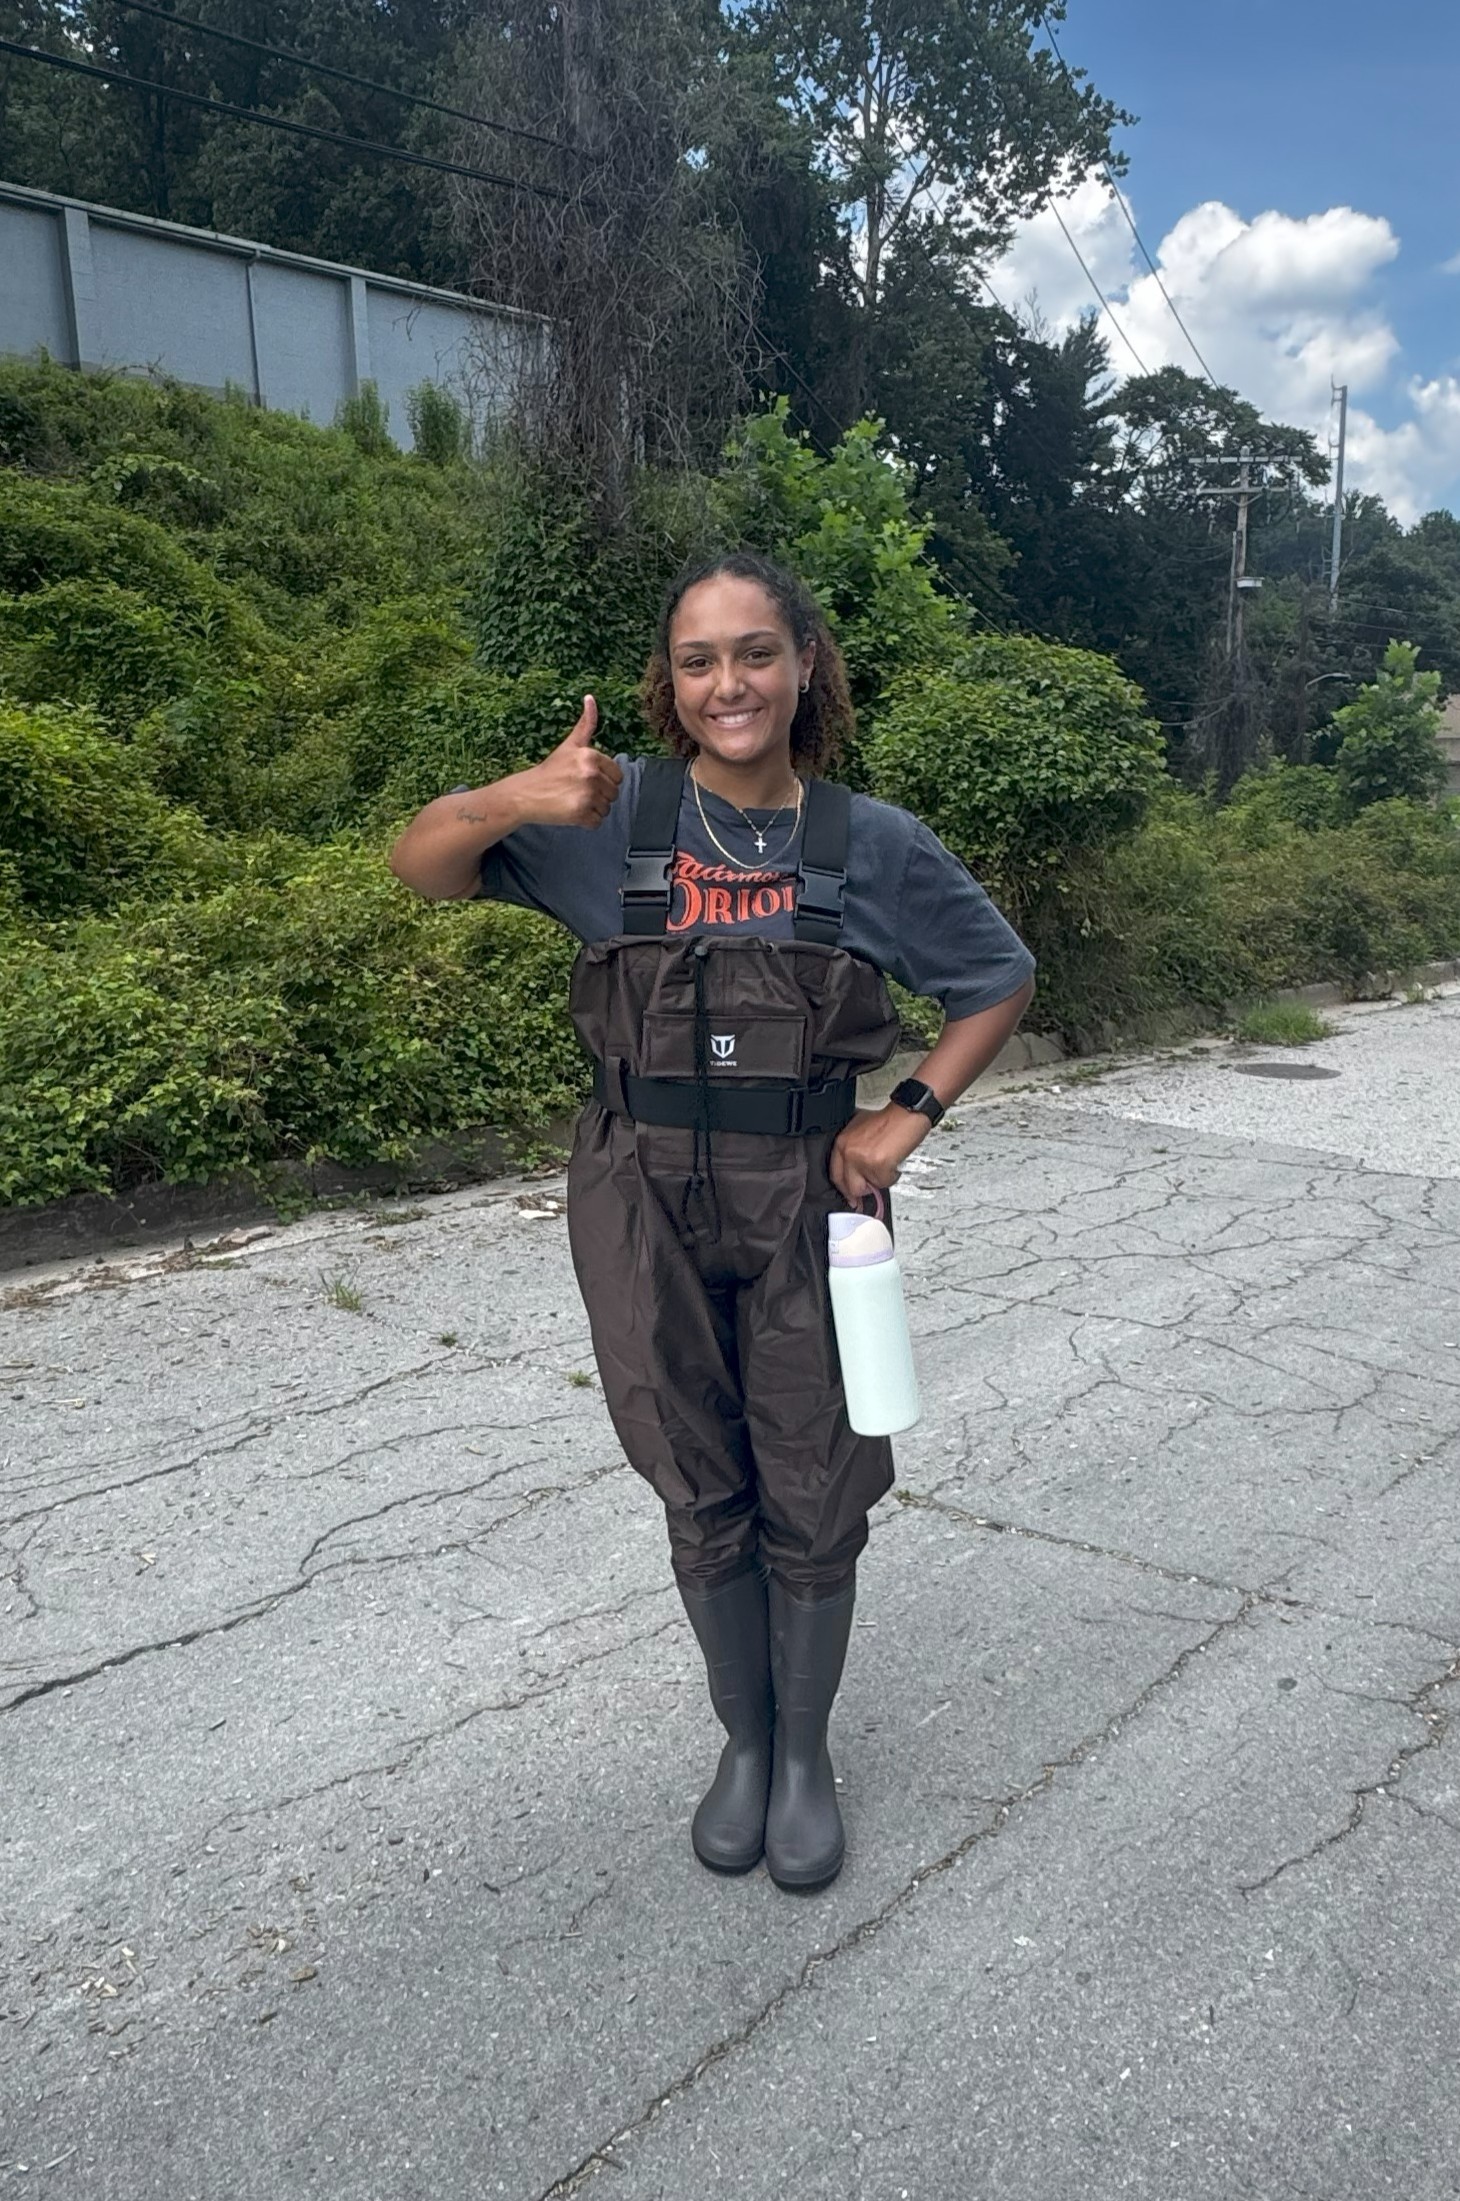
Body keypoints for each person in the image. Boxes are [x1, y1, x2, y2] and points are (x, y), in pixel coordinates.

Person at [389, 552, 1035, 1892]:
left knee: (815, 1475)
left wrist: (904, 1109)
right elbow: (423, 862)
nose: (727, 682)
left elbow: (998, 976)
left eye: (755, 652)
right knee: (696, 1464)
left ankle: (805, 1757)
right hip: (636, 1194)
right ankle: (743, 1743)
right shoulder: (609, 813)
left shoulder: (873, 844)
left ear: (806, 664)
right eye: (698, 660)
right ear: (669, 685)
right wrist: (517, 793)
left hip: (811, 1194)